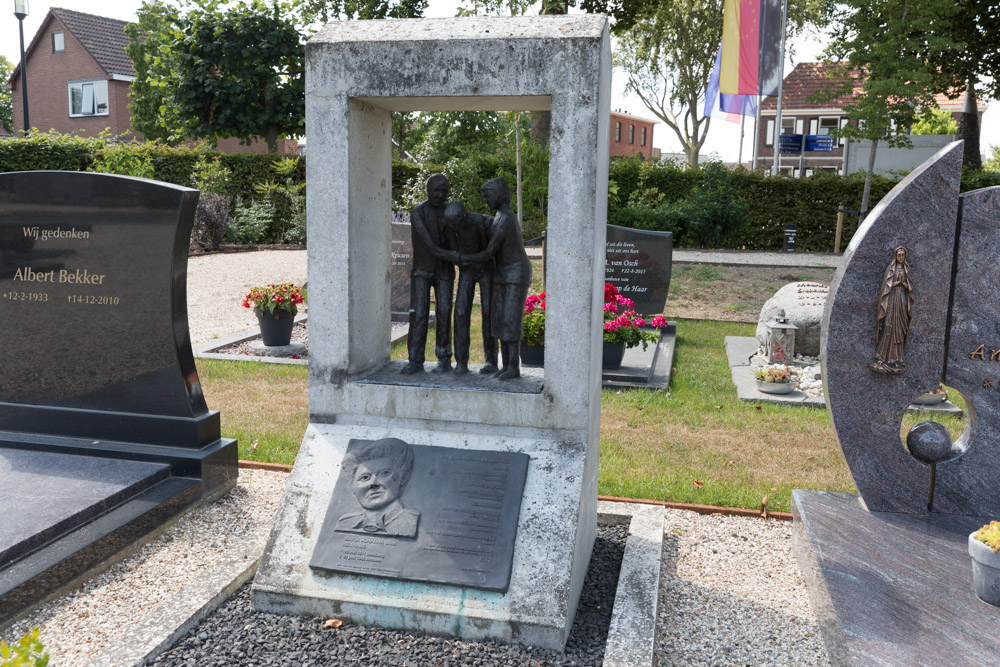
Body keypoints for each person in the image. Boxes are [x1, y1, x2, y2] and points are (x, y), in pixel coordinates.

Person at [458, 177, 531, 380]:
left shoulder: (507, 218)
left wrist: (462, 258)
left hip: (516, 274)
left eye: (488, 195)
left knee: (510, 320)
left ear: (499, 194)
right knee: (500, 319)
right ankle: (506, 365)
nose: (486, 200)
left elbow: (489, 251)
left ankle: (513, 367)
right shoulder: (499, 215)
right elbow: (486, 224)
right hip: (503, 274)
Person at [403, 174, 459, 375]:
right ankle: (415, 359)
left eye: (444, 190)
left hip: (444, 270)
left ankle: (444, 358)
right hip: (422, 271)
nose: (440, 194)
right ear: (428, 190)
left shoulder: (449, 212)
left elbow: (455, 238)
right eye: (436, 190)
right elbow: (431, 246)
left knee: (444, 312)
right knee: (419, 314)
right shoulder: (418, 213)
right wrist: (458, 256)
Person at [443, 201, 498, 375]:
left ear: (464, 216)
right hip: (467, 271)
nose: (453, 227)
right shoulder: (450, 225)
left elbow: (493, 248)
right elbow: (452, 249)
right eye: (450, 224)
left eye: (456, 223)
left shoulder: (481, 222)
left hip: (486, 270)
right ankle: (461, 360)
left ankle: (491, 360)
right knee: (460, 312)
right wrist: (458, 258)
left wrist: (477, 258)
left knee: (488, 311)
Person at [335, 438, 419, 538]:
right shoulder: (345, 524)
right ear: (353, 487)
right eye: (365, 477)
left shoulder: (410, 523)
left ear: (403, 478)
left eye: (384, 473)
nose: (373, 483)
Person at [869, 245, 913, 374]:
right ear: (895, 256)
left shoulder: (906, 269)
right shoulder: (891, 269)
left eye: (902, 255)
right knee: (889, 326)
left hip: (902, 300)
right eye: (898, 255)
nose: (900, 257)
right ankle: (882, 357)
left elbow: (909, 287)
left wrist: (903, 284)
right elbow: (885, 288)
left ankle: (898, 359)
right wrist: (895, 284)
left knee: (899, 329)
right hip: (892, 299)